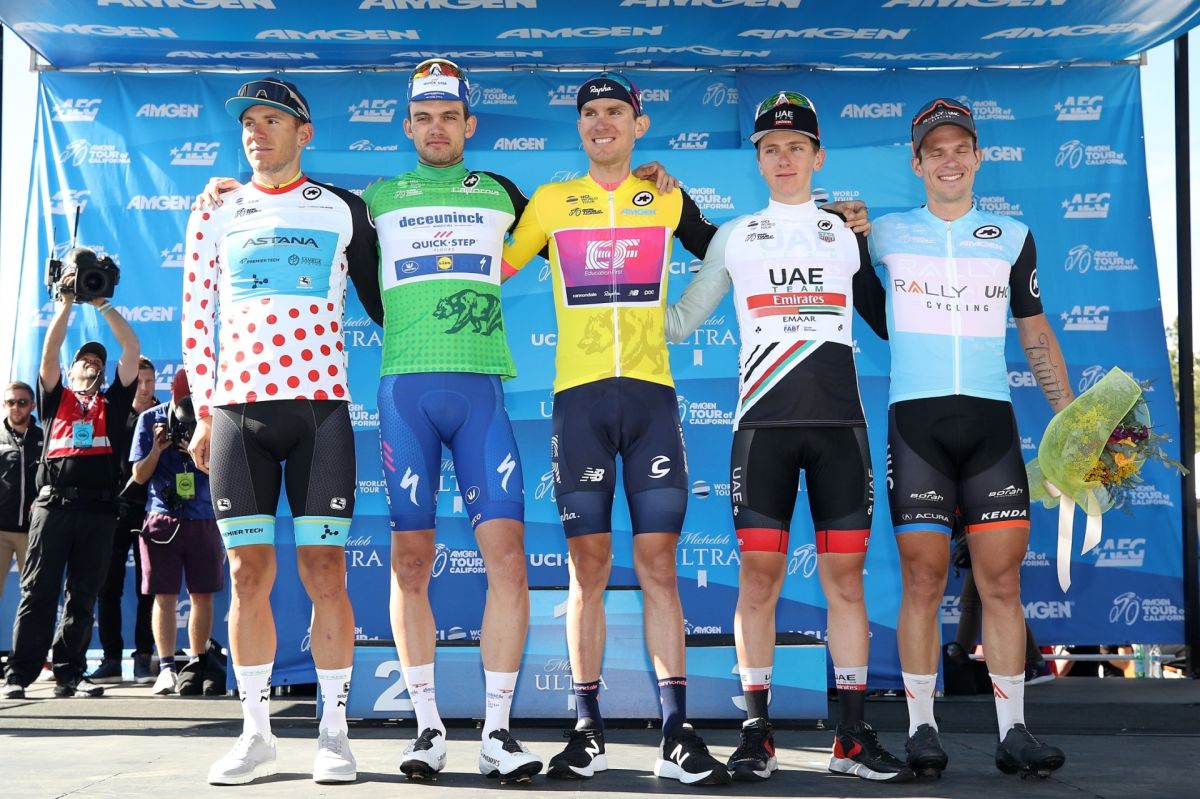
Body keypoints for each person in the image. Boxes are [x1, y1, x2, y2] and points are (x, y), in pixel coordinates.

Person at [664, 90, 910, 783]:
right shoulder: (736, 236)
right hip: (762, 430)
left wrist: (866, 240)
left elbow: (885, 321)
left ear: (817, 156)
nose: (783, 158)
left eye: (796, 147)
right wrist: (612, 289)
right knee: (758, 578)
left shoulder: (845, 231)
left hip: (840, 429)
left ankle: (851, 737)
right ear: (758, 159)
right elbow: (680, 322)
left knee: (846, 583)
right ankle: (757, 732)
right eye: (771, 148)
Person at [500, 70, 730, 786]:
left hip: (652, 401)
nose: (602, 123)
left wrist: (685, 316)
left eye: (615, 112)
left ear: (639, 124)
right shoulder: (551, 202)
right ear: (580, 127)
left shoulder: (666, 196)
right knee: (587, 569)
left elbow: (732, 250)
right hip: (581, 404)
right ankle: (587, 729)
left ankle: (675, 733)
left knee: (659, 566)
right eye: (591, 113)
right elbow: (491, 263)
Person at [182, 77, 383, 785]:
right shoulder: (215, 209)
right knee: (246, 573)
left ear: (305, 133)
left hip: (320, 409)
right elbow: (195, 316)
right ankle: (256, 733)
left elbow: (385, 301)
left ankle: (335, 734)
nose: (256, 131)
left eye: (272, 119)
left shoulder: (342, 209)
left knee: (325, 570)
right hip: (239, 410)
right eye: (248, 122)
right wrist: (203, 409)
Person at [870, 98, 1073, 779]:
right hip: (916, 423)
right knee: (923, 577)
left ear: (978, 157)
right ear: (917, 164)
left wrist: (1073, 422)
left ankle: (1014, 731)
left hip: (990, 424)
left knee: (1002, 581)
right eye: (936, 151)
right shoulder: (885, 234)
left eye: (960, 149)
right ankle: (921, 728)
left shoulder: (1012, 235)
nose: (949, 160)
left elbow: (1034, 329)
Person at [360, 58, 548, 783]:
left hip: (481, 395)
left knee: (509, 561)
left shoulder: (502, 192)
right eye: (423, 117)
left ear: (469, 124)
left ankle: (498, 733)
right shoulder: (375, 199)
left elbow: (581, 214)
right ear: (408, 127)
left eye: (449, 116)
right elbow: (305, 218)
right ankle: (427, 729)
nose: (436, 128)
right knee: (411, 563)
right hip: (405, 393)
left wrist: (653, 182)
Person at [1, 253, 140, 700]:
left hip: (98, 510)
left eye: (98, 360)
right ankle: (19, 674)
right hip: (53, 506)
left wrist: (101, 303)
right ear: (73, 367)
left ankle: (69, 673)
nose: (92, 364)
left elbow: (131, 349)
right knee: (38, 592)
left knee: (82, 597)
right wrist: (65, 304)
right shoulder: (54, 397)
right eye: (85, 359)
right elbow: (49, 352)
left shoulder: (114, 401)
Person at [128, 369, 224, 697]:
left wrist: (195, 453)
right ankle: (167, 668)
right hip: (162, 517)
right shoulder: (150, 419)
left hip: (204, 516)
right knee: (164, 596)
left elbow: (221, 472)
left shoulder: (212, 418)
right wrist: (157, 449)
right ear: (172, 392)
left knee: (202, 594)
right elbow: (139, 476)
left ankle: (198, 663)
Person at [89, 355, 157, 685]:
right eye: (139, 381)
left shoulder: (165, 416)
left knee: (149, 589)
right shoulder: (112, 415)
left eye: (149, 381)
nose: (144, 387)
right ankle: (111, 659)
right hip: (114, 511)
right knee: (107, 588)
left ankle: (144, 657)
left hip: (154, 511)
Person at [0, 381, 43, 607]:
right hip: (0, 531)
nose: (16, 407)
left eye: (22, 402)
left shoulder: (45, 438)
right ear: (4, 405)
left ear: (33, 406)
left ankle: (29, 635)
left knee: (34, 596)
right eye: (10, 402)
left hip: (33, 532)